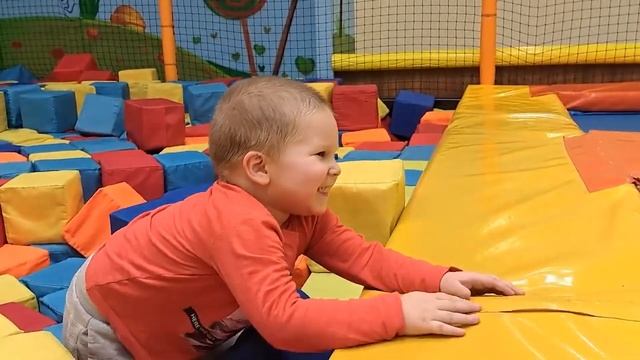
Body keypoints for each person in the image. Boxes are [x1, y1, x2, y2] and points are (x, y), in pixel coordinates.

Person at [63, 76, 523, 360]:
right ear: (259, 167)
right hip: (109, 316)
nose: (337, 166)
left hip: (196, 306)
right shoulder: (238, 220)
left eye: (336, 151)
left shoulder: (302, 209)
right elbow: (284, 323)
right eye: (321, 154)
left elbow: (363, 258)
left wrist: (440, 279)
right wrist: (397, 312)